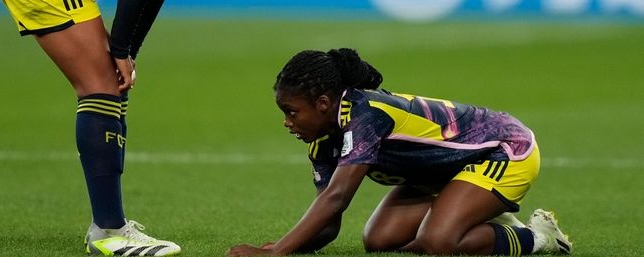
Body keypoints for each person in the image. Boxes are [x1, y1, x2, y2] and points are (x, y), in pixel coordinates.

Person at [0, 0, 264, 257]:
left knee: (111, 88)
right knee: (100, 86)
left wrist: (128, 51)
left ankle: (110, 223)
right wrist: (118, 49)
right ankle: (110, 231)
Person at [228, 48, 573, 256]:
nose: (287, 123)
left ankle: (536, 238)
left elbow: (336, 198)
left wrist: (276, 254)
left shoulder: (365, 116)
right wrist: (279, 247)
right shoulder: (322, 142)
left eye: (291, 111)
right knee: (379, 240)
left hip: (503, 150)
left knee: (438, 242)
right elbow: (328, 225)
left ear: (322, 104)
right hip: (446, 171)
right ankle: (476, 211)